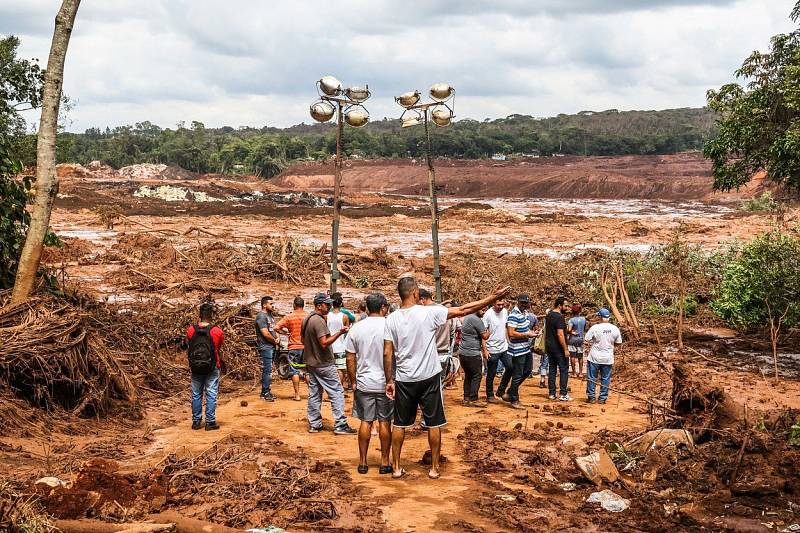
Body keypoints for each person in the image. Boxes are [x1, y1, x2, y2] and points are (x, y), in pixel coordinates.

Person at [384, 276, 510, 479]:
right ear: (416, 292)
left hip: (405, 378)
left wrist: (389, 380)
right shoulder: (428, 312)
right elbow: (463, 310)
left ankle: (397, 467)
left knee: (399, 423)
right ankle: (434, 468)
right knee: (434, 423)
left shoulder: (391, 319)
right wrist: (490, 298)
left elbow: (387, 352)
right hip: (429, 376)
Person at [345, 292, 393, 475]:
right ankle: (384, 462)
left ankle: (363, 462)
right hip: (385, 382)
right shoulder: (389, 326)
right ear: (382, 307)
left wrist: (353, 381)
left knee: (365, 421)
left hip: (364, 381)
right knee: (385, 422)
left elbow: (350, 358)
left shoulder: (357, 328)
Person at [303, 292, 357, 435]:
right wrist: (340, 332)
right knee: (337, 392)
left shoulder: (307, 319)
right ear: (319, 306)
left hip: (312, 362)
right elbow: (324, 343)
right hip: (324, 363)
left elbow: (304, 340)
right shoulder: (319, 321)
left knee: (314, 393)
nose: (329, 306)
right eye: (327, 304)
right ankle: (340, 424)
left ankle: (314, 424)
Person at [186, 302, 225, 431]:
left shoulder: (191, 330)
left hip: (195, 366)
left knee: (196, 393)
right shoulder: (217, 331)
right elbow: (218, 348)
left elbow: (189, 345)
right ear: (211, 315)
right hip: (212, 366)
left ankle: (196, 422)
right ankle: (210, 422)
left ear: (199, 315)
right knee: (211, 393)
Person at [504, 294, 536, 409]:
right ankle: (514, 399)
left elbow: (525, 328)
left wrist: (532, 333)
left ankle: (510, 391)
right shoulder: (513, 315)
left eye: (526, 303)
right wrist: (526, 334)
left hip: (526, 347)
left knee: (527, 371)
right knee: (517, 374)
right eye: (522, 302)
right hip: (517, 349)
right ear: (518, 302)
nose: (524, 305)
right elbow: (511, 333)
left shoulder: (525, 314)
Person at [584, 308, 623, 404]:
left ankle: (591, 397)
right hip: (608, 358)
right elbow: (618, 343)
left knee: (592, 377)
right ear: (609, 317)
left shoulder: (595, 328)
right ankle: (602, 398)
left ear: (599, 317)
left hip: (594, 357)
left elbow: (587, 339)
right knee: (605, 378)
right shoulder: (615, 329)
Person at [275, 296, 307, 401]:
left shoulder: (289, 317)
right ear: (303, 305)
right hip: (307, 348)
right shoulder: (308, 316)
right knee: (308, 371)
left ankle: (297, 395)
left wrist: (285, 333)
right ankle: (311, 394)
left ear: (294, 305)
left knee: (294, 371)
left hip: (293, 347)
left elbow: (276, 327)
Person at [459, 306, 490, 407]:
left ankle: (466, 398)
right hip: (472, 353)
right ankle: (473, 399)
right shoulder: (476, 320)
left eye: (486, 309)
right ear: (477, 309)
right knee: (477, 375)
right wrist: (489, 331)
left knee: (469, 375)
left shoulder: (467, 317)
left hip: (463, 352)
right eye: (483, 309)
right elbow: (485, 336)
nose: (484, 312)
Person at [483, 298, 511, 404]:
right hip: (492, 348)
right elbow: (483, 334)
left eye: (502, 304)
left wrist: (509, 343)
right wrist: (485, 350)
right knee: (491, 372)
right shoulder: (488, 315)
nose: (500, 306)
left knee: (510, 367)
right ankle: (489, 395)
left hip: (504, 347)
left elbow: (505, 328)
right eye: (498, 304)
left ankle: (501, 390)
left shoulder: (505, 312)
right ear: (493, 304)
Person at [545, 297, 571, 401]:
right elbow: (560, 334)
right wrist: (565, 349)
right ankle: (563, 394)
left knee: (552, 369)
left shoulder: (549, 315)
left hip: (550, 347)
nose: (567, 307)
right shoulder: (559, 317)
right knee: (564, 370)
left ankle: (551, 393)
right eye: (566, 306)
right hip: (559, 348)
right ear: (560, 306)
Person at [255, 296, 279, 401]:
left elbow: (273, 329)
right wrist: (274, 340)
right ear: (264, 305)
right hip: (266, 347)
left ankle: (266, 391)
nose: (272, 306)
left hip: (271, 346)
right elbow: (265, 333)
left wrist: (277, 337)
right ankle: (265, 392)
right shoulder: (261, 316)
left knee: (269, 370)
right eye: (271, 304)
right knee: (267, 370)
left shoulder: (270, 316)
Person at [327, 294, 352, 390]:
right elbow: (347, 332)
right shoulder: (345, 317)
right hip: (340, 347)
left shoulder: (327, 316)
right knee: (340, 369)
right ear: (341, 303)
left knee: (329, 369)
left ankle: (330, 390)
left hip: (329, 345)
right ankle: (338, 389)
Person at [567, 304, 587, 378]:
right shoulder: (583, 319)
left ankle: (574, 373)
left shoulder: (571, 320)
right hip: (581, 339)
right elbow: (584, 329)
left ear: (572, 312)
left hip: (572, 339)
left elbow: (569, 330)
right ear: (580, 311)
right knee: (580, 356)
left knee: (572, 356)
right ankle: (581, 373)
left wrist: (569, 332)